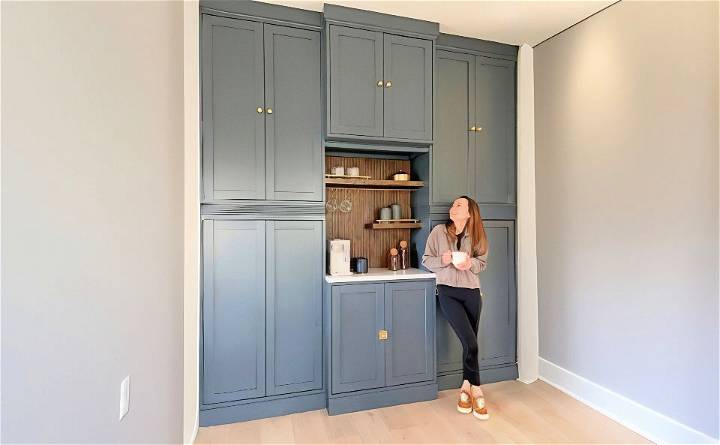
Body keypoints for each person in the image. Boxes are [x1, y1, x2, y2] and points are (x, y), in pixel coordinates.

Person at [422, 195, 490, 420]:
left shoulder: (478, 235)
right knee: (470, 342)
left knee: (470, 344)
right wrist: (444, 259)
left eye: (459, 205)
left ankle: (465, 388)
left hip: (472, 293)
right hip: (448, 292)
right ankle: (477, 389)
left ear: (470, 212)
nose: (453, 207)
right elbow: (426, 260)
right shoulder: (439, 232)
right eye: (452, 204)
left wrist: (470, 263)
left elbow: (482, 264)